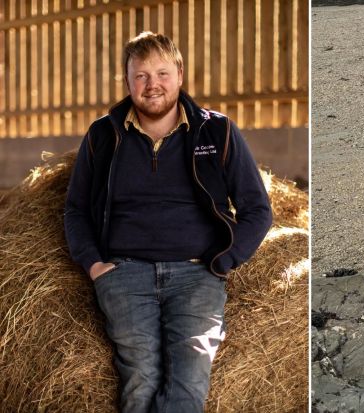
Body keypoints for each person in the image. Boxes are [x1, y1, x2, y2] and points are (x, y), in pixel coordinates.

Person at [64, 32, 272, 412]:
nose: (152, 84)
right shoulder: (103, 134)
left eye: (161, 72)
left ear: (179, 73)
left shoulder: (216, 130)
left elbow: (257, 208)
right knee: (141, 376)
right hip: (124, 273)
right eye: (141, 75)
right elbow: (76, 209)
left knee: (189, 379)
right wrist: (95, 265)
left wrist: (222, 262)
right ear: (127, 81)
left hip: (197, 273)